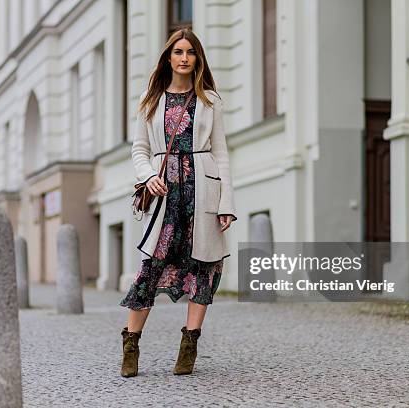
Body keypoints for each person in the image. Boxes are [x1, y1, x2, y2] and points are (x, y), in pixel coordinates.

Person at [119, 27, 237, 377]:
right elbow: (139, 150)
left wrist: (226, 202)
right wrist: (147, 176)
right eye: (178, 52)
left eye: (190, 52)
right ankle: (131, 344)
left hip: (202, 193)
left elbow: (222, 153)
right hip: (164, 196)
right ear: (168, 57)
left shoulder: (210, 100)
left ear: (197, 59)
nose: (184, 58)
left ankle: (189, 345)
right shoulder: (150, 99)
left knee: (203, 267)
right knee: (150, 269)